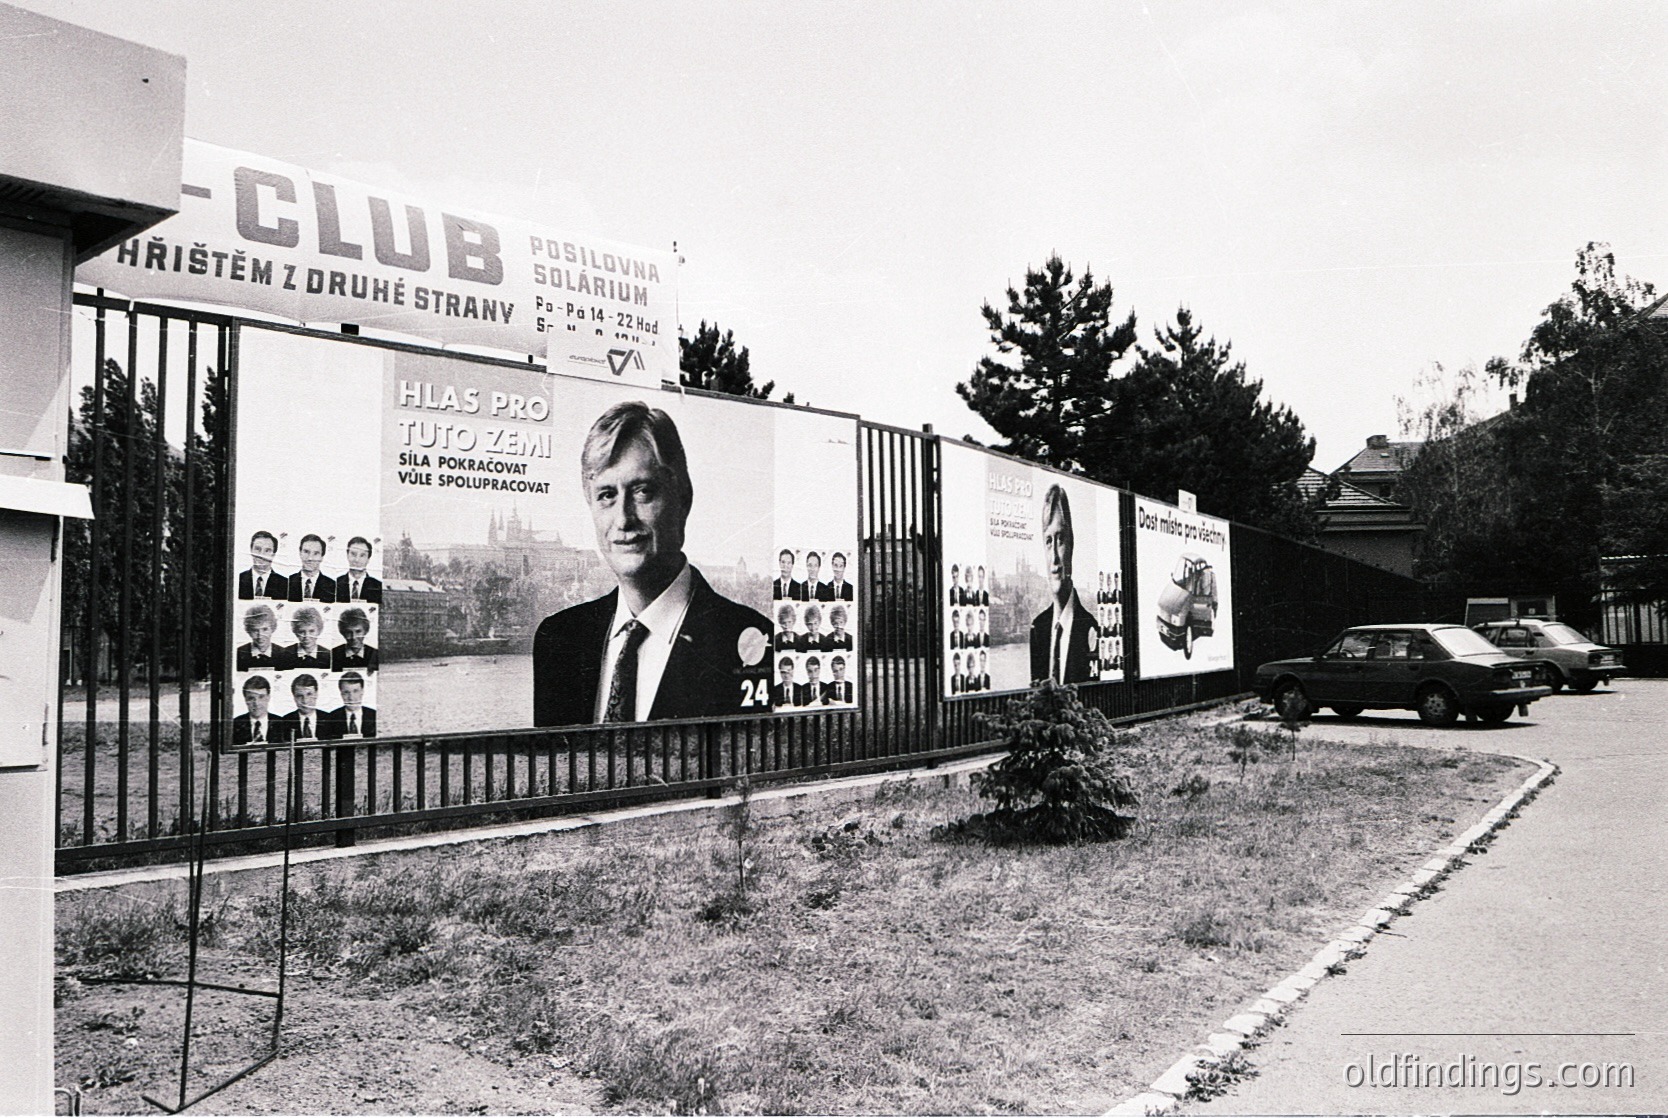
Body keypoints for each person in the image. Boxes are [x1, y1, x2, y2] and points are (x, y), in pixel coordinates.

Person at [532, 401, 772, 727]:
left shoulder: (752, 641)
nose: (623, 519)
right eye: (606, 495)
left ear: (683, 499)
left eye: (642, 491)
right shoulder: (559, 639)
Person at [1029, 484, 1100, 685]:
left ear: (1072, 544)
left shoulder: (1090, 627)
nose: (1054, 559)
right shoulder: (1038, 628)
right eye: (1048, 542)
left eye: (1060, 540)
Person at [231, 675, 288, 745]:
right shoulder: (234, 725)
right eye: (251, 698)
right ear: (245, 700)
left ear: (268, 697)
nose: (256, 703)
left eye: (261, 697)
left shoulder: (283, 724)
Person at [321, 671, 377, 739]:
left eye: (355, 691)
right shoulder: (331, 718)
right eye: (346, 692)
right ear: (341, 693)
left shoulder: (375, 716)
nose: (351, 697)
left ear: (362, 691)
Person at [287, 534, 336, 603]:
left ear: (322, 557)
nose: (310, 558)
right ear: (300, 553)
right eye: (306, 552)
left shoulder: (333, 586)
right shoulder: (287, 582)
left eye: (316, 553)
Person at [238, 531, 285, 600]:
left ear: (273, 554)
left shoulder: (285, 584)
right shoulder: (238, 579)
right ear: (251, 550)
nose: (261, 555)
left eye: (267, 550)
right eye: (257, 549)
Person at [278, 674, 325, 742]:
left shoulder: (330, 719)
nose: (305, 701)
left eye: (309, 694)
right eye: (299, 696)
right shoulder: (284, 722)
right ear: (294, 697)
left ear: (316, 694)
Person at [334, 536, 382, 603]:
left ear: (368, 559)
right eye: (353, 554)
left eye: (362, 555)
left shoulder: (379, 587)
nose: (357, 560)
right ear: (347, 555)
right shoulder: (334, 584)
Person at [331, 607, 378, 671]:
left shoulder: (375, 654)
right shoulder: (333, 655)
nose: (354, 637)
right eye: (348, 632)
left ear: (366, 631)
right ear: (343, 633)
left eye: (358, 631)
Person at [235, 604, 280, 670]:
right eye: (255, 630)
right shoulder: (238, 654)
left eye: (265, 629)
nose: (260, 635)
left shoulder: (284, 654)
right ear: (248, 631)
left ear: (273, 628)